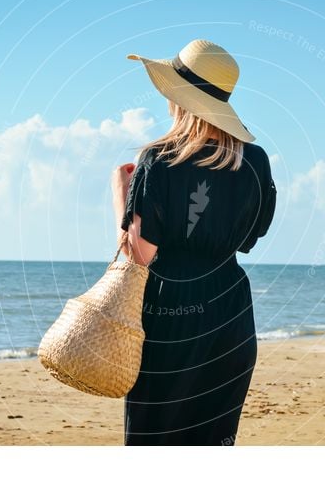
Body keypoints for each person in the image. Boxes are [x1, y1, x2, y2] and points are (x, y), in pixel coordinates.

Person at [110, 39, 277, 445]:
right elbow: (251, 236)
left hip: (169, 308)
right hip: (231, 308)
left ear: (177, 96)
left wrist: (122, 192)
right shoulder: (255, 162)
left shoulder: (159, 158)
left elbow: (139, 254)